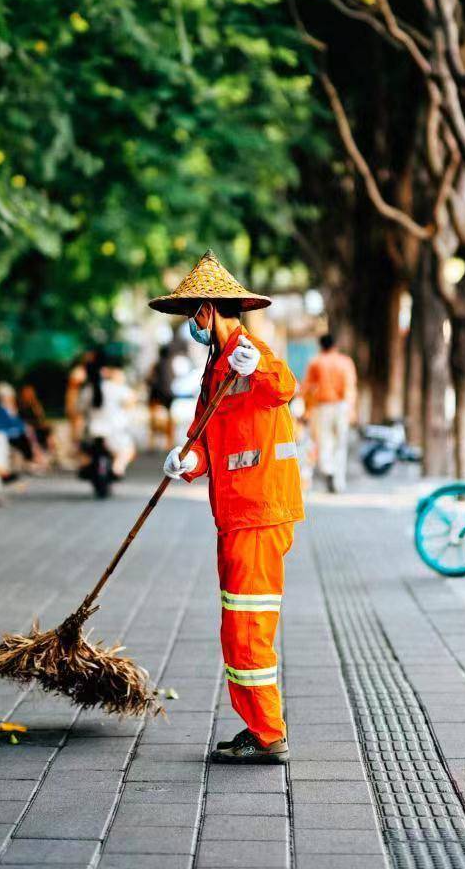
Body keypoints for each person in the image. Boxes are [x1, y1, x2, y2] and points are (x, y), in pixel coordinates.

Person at [153, 250, 304, 765]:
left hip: (260, 511)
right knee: (236, 626)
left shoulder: (250, 352)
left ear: (207, 311)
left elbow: (284, 385)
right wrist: (185, 460)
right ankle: (259, 727)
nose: (191, 324)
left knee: (248, 627)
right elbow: (205, 434)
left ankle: (267, 733)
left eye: (193, 313)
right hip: (237, 513)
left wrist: (257, 365)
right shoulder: (215, 370)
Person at [302, 333, 358, 493]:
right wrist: (351, 409)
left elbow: (307, 388)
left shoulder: (316, 362)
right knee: (340, 444)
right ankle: (339, 482)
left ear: (321, 346)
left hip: (322, 407)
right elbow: (350, 387)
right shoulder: (345, 362)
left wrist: (307, 410)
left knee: (324, 441)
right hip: (342, 406)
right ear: (335, 346)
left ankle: (328, 471)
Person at [77, 352, 136, 478]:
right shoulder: (115, 387)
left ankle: (85, 464)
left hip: (92, 431)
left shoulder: (88, 390)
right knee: (127, 450)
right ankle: (117, 468)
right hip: (113, 432)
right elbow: (131, 400)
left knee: (83, 451)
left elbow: (80, 409)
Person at [0, 382, 46, 469]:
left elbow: (19, 423)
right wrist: (19, 429)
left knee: (29, 433)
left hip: (16, 434)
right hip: (5, 434)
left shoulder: (12, 408)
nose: (11, 399)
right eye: (8, 397)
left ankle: (35, 458)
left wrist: (23, 427)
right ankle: (33, 459)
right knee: (26, 436)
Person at [147, 344, 175, 449]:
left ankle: (152, 442)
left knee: (152, 418)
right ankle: (169, 442)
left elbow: (149, 379)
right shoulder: (170, 364)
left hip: (156, 393)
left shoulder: (156, 365)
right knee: (169, 418)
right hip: (168, 394)